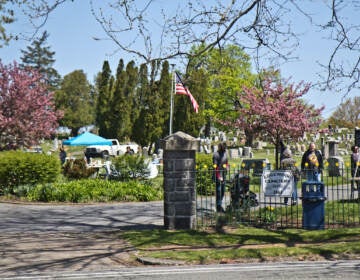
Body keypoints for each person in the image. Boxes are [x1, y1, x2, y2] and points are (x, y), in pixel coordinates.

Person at [212, 142, 228, 212]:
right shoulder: (216, 155)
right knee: (218, 191)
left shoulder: (225, 153)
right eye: (224, 148)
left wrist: (227, 167)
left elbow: (226, 162)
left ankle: (219, 204)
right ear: (220, 147)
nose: (225, 149)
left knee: (223, 191)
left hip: (224, 174)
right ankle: (219, 207)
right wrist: (218, 176)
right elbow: (215, 167)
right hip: (218, 174)